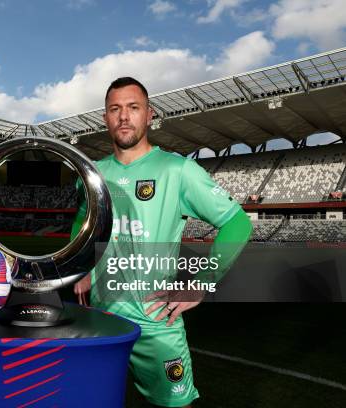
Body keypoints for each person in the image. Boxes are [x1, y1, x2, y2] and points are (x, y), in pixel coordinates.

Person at [71, 77, 252, 407]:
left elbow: (237, 224)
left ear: (149, 115)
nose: (124, 116)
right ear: (105, 118)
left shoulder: (177, 170)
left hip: (155, 322)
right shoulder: (94, 173)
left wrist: (201, 284)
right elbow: (83, 220)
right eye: (115, 109)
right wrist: (82, 268)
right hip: (99, 318)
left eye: (133, 108)